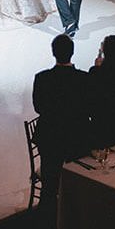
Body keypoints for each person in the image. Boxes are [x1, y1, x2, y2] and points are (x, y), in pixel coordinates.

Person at [32, 34, 90, 212]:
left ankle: (46, 215)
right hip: (77, 137)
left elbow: (38, 107)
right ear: (72, 53)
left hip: (50, 136)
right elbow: (90, 107)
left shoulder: (42, 78)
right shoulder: (83, 78)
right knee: (80, 178)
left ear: (53, 53)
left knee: (49, 182)